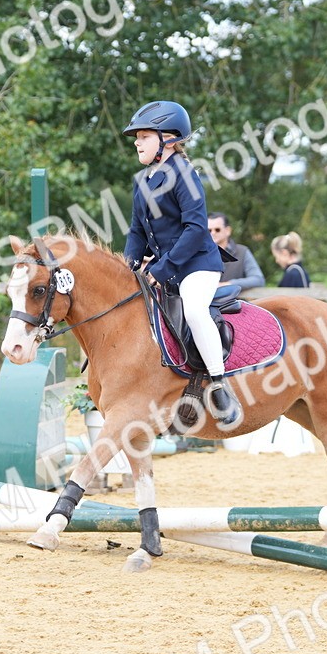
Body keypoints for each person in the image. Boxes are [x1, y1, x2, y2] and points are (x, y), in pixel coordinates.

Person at [123, 100, 241, 429]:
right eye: (137, 137)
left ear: (169, 139)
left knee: (193, 310)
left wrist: (161, 270)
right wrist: (129, 264)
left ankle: (219, 384)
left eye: (143, 136)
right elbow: (136, 232)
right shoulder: (142, 180)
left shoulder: (186, 176)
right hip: (166, 266)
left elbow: (194, 229)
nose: (136, 142)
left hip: (197, 265)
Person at [207, 212, 265, 295]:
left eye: (217, 230)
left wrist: (228, 284)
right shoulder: (199, 253)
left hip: (235, 305)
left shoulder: (242, 251)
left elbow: (258, 279)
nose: (213, 233)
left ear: (228, 230)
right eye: (209, 230)